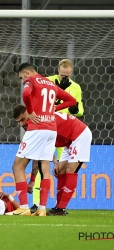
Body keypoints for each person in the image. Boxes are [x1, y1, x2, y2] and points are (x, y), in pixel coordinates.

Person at [12, 63, 77, 216]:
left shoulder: (31, 80)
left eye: (22, 77)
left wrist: (31, 111)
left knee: (17, 166)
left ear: (27, 73)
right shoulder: (50, 83)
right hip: (51, 130)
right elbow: (72, 101)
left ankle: (24, 207)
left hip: (37, 128)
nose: (22, 81)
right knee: (45, 168)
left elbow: (26, 94)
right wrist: (54, 109)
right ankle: (41, 209)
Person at [31, 58, 84, 214]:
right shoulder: (47, 82)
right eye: (62, 75)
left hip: (64, 131)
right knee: (43, 165)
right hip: (47, 126)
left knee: (64, 169)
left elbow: (80, 109)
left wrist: (74, 109)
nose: (64, 78)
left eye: (67, 76)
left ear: (71, 73)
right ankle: (36, 202)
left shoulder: (76, 87)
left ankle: (58, 206)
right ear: (58, 71)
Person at [25, 111, 92, 216]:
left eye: (22, 121)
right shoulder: (43, 120)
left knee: (70, 170)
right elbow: (45, 149)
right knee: (59, 171)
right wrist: (55, 162)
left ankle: (61, 208)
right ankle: (58, 207)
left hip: (79, 135)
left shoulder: (40, 125)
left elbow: (38, 155)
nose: (22, 125)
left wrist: (32, 180)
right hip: (68, 140)